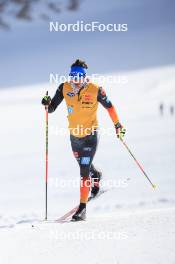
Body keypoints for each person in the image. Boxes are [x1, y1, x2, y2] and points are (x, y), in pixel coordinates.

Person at [41, 59, 126, 221]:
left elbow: (110, 106)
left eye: (79, 75)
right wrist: (47, 104)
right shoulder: (64, 88)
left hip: (90, 135)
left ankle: (82, 208)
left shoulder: (95, 90)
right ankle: (96, 175)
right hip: (74, 136)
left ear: (84, 76)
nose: (75, 78)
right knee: (84, 166)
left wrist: (117, 124)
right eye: (73, 75)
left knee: (83, 170)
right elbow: (51, 109)